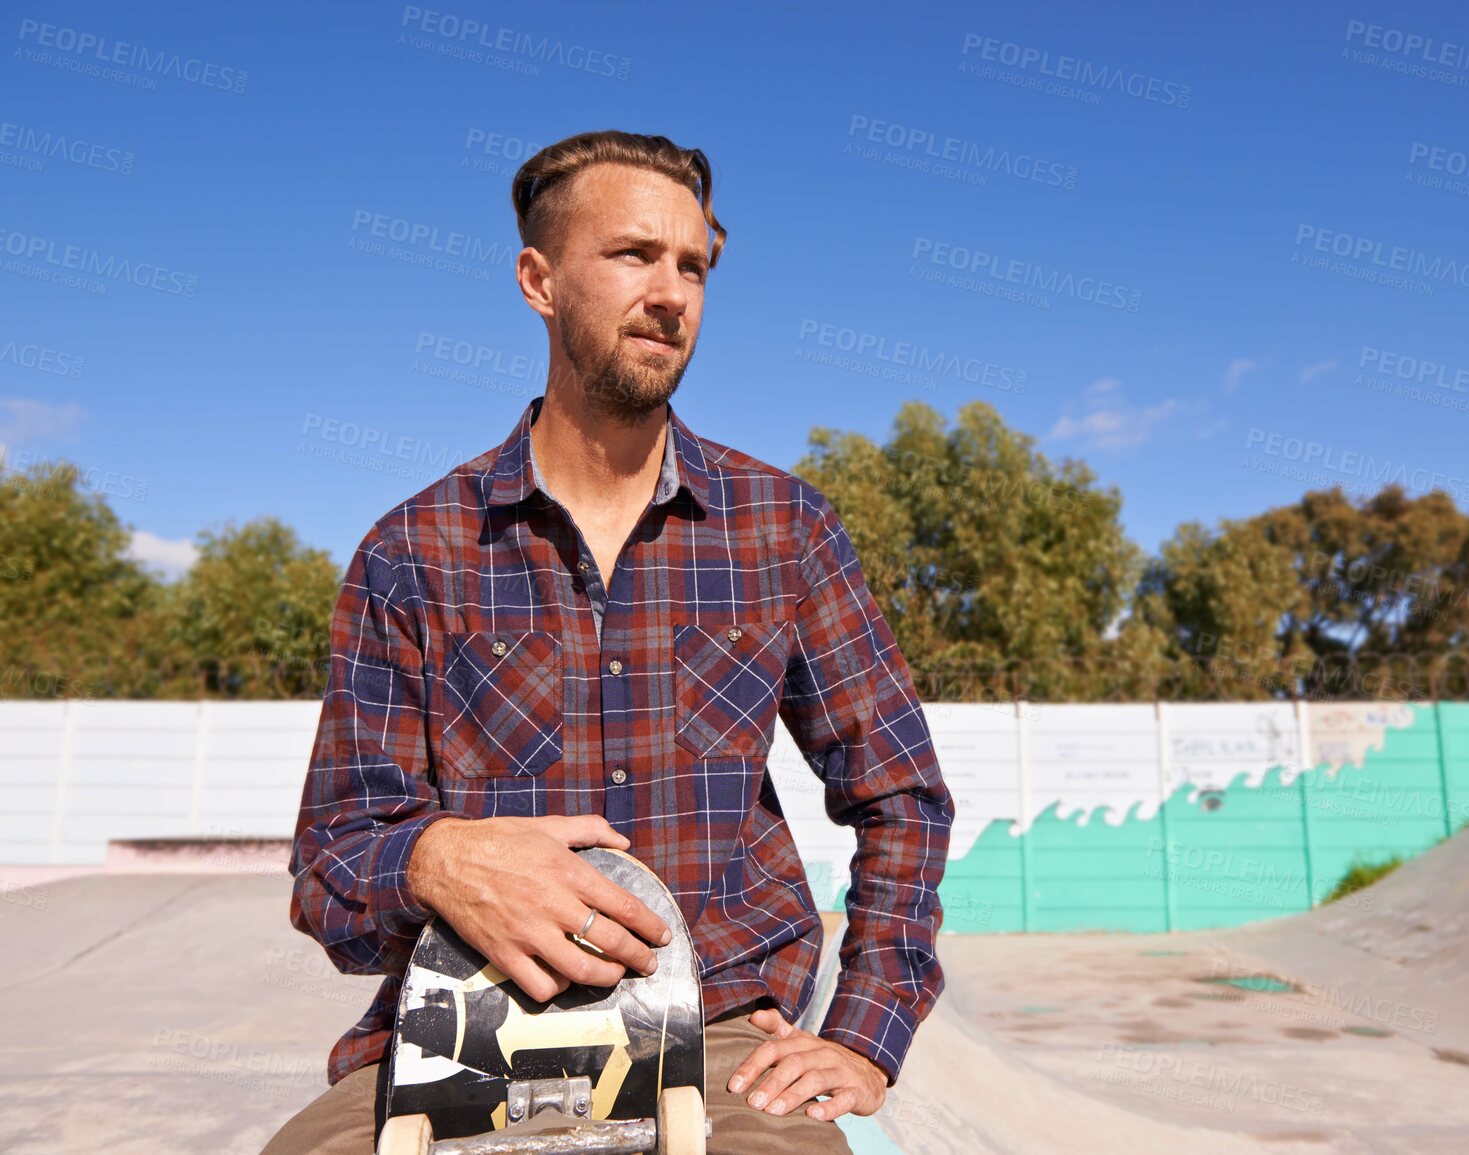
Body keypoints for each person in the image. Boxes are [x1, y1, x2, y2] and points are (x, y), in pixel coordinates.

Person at [262, 129, 955, 1155]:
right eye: (633, 255)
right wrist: (433, 860)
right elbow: (330, 872)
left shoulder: (785, 529)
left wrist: (864, 1033)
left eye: (693, 265)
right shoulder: (413, 548)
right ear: (538, 281)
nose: (672, 291)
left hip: (719, 1039)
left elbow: (901, 797)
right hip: (457, 1036)